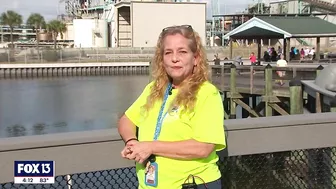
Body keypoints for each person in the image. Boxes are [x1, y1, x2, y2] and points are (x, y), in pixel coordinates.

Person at [118, 25, 226, 189]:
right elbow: (126, 120)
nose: (175, 58)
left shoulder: (206, 93)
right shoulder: (154, 89)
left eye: (182, 52)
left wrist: (150, 147)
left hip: (192, 184)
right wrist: (132, 141)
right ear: (162, 59)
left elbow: (204, 147)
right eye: (168, 52)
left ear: (195, 58)